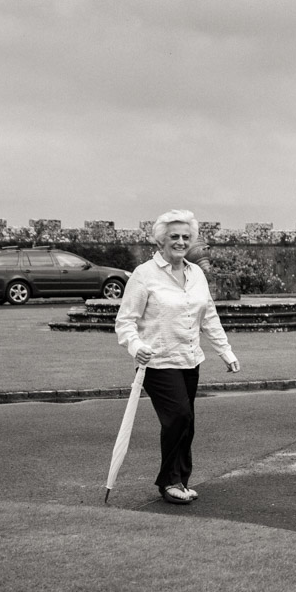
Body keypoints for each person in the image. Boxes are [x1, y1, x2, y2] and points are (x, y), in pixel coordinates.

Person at [114, 209, 241, 505]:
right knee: (178, 418)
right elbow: (125, 321)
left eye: (186, 236)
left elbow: (208, 316)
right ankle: (169, 481)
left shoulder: (196, 273)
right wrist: (135, 345)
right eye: (174, 236)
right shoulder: (144, 275)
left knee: (187, 422)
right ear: (161, 241)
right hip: (157, 362)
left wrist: (225, 351)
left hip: (190, 359)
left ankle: (181, 479)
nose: (181, 241)